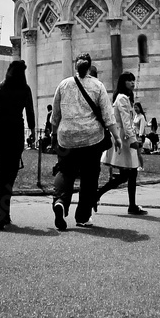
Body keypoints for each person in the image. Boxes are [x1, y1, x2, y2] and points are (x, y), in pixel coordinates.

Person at [50, 53, 121, 230]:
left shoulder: (63, 84)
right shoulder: (97, 86)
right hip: (92, 140)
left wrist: (53, 134)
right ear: (89, 68)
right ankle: (82, 216)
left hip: (66, 139)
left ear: (76, 66)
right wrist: (117, 137)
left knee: (65, 172)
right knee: (90, 177)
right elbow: (108, 116)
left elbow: (55, 115)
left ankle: (60, 202)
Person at [0, 60, 35, 230]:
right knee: (9, 177)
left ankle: (3, 212)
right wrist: (32, 131)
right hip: (15, 134)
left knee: (1, 174)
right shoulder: (25, 89)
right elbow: (30, 113)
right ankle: (0, 211)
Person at [96, 72, 147, 215]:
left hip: (123, 138)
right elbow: (126, 122)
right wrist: (133, 140)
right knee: (129, 174)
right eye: (129, 80)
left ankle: (130, 204)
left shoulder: (123, 98)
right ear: (123, 82)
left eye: (133, 80)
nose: (132, 83)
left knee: (130, 174)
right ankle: (98, 195)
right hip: (124, 140)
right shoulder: (123, 98)